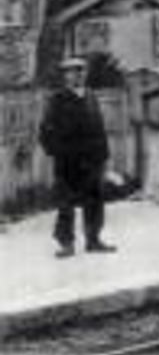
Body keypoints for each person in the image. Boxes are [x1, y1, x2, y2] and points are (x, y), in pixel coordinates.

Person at [36, 57, 115, 257]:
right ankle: (66, 244)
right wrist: (57, 152)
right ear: (65, 76)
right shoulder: (57, 99)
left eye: (81, 71)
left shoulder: (91, 96)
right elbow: (45, 131)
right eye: (72, 72)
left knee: (94, 200)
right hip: (67, 161)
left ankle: (93, 240)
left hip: (92, 159)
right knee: (66, 203)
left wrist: (104, 155)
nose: (78, 75)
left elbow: (99, 128)